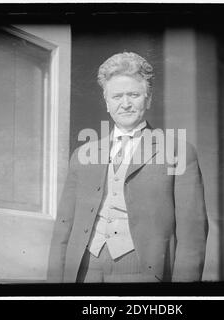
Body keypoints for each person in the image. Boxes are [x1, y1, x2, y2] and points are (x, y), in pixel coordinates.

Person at [47, 52, 208, 283]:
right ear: (107, 103)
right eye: (117, 96)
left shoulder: (178, 151)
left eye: (133, 95)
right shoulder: (82, 155)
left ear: (148, 99)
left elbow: (192, 235)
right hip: (84, 270)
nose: (125, 103)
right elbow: (63, 229)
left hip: (143, 272)